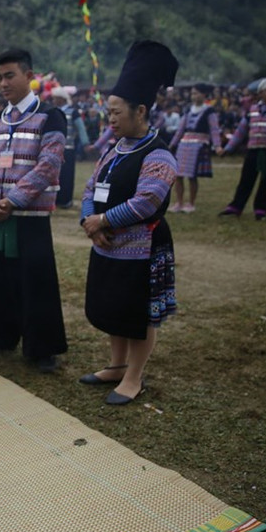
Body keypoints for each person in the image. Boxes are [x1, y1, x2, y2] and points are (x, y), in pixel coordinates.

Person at [79, 40, 179, 406]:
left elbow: (145, 202)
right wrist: (89, 220)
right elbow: (91, 186)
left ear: (140, 111)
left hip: (143, 246)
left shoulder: (159, 153)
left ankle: (134, 377)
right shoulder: (113, 148)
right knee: (112, 306)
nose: (111, 119)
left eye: (117, 112)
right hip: (107, 244)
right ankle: (117, 364)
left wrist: (101, 220)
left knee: (139, 315)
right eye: (109, 112)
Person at [0, 49, 68, 372]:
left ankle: (42, 349)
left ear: (29, 75)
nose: (3, 83)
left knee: (35, 281)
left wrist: (12, 200)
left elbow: (49, 165)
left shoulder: (51, 116)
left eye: (9, 75)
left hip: (30, 217)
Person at [216, 78, 266, 221]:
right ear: (260, 93)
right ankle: (235, 207)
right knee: (246, 179)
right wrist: (228, 148)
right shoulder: (252, 110)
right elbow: (241, 131)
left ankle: (261, 210)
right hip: (253, 150)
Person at [167, 83, 222, 213]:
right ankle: (179, 203)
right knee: (178, 175)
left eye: (196, 93)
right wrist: (172, 144)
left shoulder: (209, 111)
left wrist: (218, 145)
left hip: (199, 145)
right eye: (192, 94)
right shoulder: (188, 110)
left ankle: (191, 203)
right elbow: (180, 130)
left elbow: (214, 129)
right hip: (184, 144)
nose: (194, 96)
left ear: (204, 95)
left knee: (192, 176)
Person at [50, 86, 89, 209]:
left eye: (55, 98)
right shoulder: (53, 111)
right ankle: (55, 199)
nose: (53, 101)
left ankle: (66, 200)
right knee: (55, 175)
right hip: (54, 149)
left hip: (68, 148)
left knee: (67, 175)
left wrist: (85, 143)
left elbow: (81, 128)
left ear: (62, 99)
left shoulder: (73, 112)